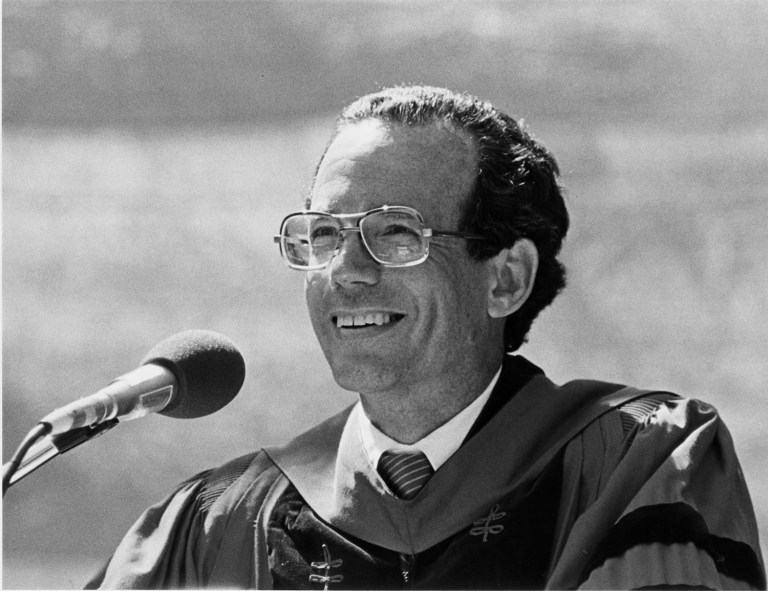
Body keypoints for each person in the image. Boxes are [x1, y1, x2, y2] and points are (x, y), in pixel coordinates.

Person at [87, 86, 765, 589]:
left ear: (506, 278)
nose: (347, 271)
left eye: (395, 233)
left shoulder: (636, 466)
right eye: (324, 235)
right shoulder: (219, 525)